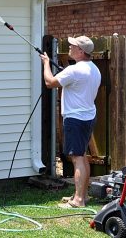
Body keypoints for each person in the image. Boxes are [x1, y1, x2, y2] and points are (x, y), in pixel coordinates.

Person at [40, 35, 101, 207]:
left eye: (73, 45)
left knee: (77, 159)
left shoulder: (74, 70)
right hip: (88, 117)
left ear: (81, 51)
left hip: (75, 119)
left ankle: (78, 200)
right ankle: (83, 194)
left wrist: (46, 63)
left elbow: (50, 82)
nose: (70, 47)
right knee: (82, 156)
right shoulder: (94, 69)